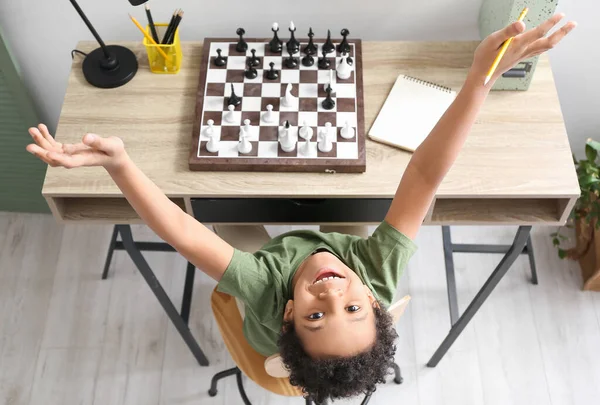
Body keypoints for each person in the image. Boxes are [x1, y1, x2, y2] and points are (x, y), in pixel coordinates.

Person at [26, 14, 576, 403]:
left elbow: (182, 234)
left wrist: (120, 164)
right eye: (353, 309)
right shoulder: (375, 275)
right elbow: (426, 175)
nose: (333, 293)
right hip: (338, 257)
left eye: (316, 315)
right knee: (363, 211)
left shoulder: (267, 292)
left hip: (268, 292)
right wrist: (479, 79)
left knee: (220, 215)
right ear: (375, 302)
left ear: (289, 314)